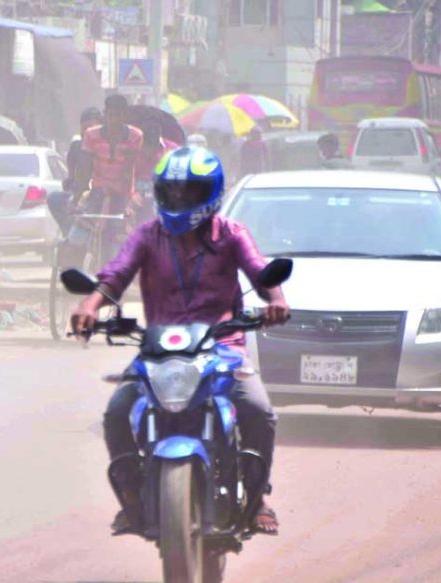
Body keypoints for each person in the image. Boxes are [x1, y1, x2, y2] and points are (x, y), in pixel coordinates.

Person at [71, 146, 290, 535]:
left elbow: (260, 272)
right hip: (159, 350)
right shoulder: (146, 236)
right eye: (171, 192)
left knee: (258, 411)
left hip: (222, 348)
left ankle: (257, 498)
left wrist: (276, 301)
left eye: (188, 192)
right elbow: (117, 274)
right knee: (117, 413)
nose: (178, 200)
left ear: (210, 193)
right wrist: (90, 305)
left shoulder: (232, 236)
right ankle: (134, 498)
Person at [73, 94, 144, 261]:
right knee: (81, 231)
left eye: (118, 115)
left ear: (125, 116)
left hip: (123, 193)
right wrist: (78, 196)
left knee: (115, 235)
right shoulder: (91, 135)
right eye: (111, 115)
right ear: (105, 115)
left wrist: (126, 197)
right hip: (97, 191)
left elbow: (131, 168)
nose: (114, 120)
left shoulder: (135, 136)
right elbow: (84, 168)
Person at [47, 107, 103, 238]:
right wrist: (73, 186)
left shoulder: (110, 147)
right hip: (81, 196)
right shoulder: (76, 148)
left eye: (91, 129)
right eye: (84, 129)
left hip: (104, 196)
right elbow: (71, 178)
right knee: (54, 198)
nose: (87, 133)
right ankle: (69, 234)